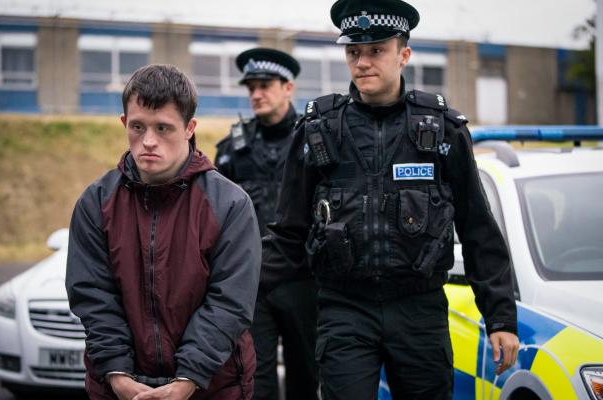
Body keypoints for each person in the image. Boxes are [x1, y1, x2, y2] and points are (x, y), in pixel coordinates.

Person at [259, 1, 520, 399]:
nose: (362, 62)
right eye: (353, 52)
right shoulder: (318, 131)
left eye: (376, 50)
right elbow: (288, 233)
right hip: (344, 309)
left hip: (419, 310)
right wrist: (233, 296)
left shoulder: (442, 130)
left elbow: (477, 227)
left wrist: (500, 318)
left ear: (404, 54)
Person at [66, 64, 261, 400]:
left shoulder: (230, 205)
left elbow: (229, 303)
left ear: (189, 128)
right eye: (138, 127)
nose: (149, 141)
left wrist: (188, 379)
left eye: (163, 128)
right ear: (124, 123)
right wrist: (117, 374)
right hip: (118, 388)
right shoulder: (95, 203)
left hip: (212, 386)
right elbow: (93, 297)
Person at [215, 48, 319, 400]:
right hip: (252, 287)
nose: (256, 94)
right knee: (254, 381)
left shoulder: (314, 142)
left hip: (303, 281)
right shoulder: (233, 148)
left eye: (265, 86)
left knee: (306, 376)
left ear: (288, 88)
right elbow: (215, 218)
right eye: (251, 88)